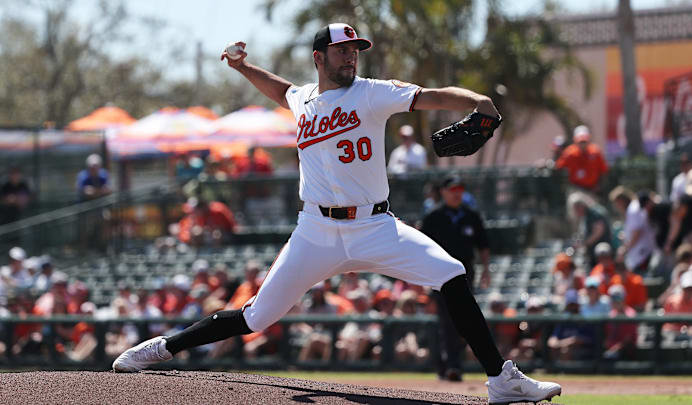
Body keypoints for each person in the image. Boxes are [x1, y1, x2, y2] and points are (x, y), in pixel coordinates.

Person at [112, 23, 560, 402]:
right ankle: (163, 348)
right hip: (316, 230)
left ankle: (501, 379)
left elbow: (432, 95)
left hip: (374, 225)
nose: (351, 58)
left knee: (451, 272)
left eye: (355, 51)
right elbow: (280, 89)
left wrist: (477, 100)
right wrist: (242, 66)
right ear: (319, 58)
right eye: (342, 51)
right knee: (255, 317)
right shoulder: (303, 99)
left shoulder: (373, 94)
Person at [420, 174, 491, 381]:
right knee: (446, 320)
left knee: (464, 320)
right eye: (452, 189)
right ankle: (451, 365)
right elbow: (421, 246)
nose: (456, 193)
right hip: (438, 272)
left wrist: (486, 270)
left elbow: (483, 246)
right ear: (443, 192)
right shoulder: (433, 216)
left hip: (465, 272)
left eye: (459, 189)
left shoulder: (471, 216)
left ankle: (451, 364)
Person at [555, 125, 608, 192]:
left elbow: (603, 171)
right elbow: (558, 167)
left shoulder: (595, 152)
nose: (582, 144)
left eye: (584, 142)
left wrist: (600, 186)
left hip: (592, 189)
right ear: (575, 140)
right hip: (575, 189)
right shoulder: (569, 153)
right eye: (580, 142)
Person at [568, 191, 612, 267]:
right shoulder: (586, 216)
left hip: (602, 254)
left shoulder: (595, 213)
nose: (576, 212)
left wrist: (584, 244)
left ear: (580, 206)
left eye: (576, 209)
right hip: (593, 255)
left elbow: (599, 232)